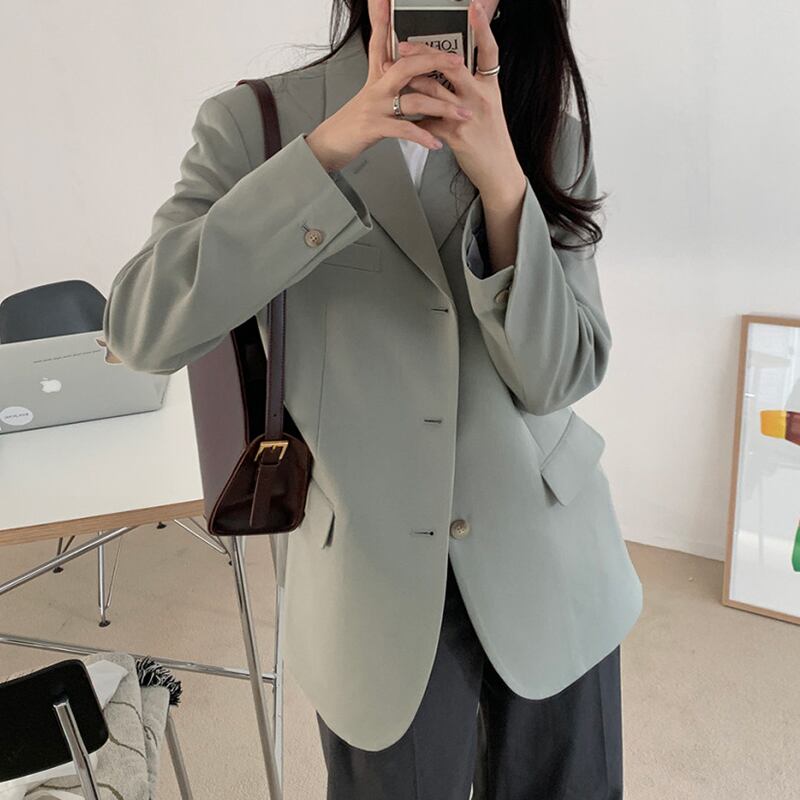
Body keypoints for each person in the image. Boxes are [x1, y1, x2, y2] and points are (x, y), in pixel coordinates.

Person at [102, 0, 643, 796]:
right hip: (373, 586)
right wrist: (324, 154)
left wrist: (504, 185)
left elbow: (561, 377)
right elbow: (141, 331)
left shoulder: (545, 130)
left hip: (552, 564)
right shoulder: (255, 124)